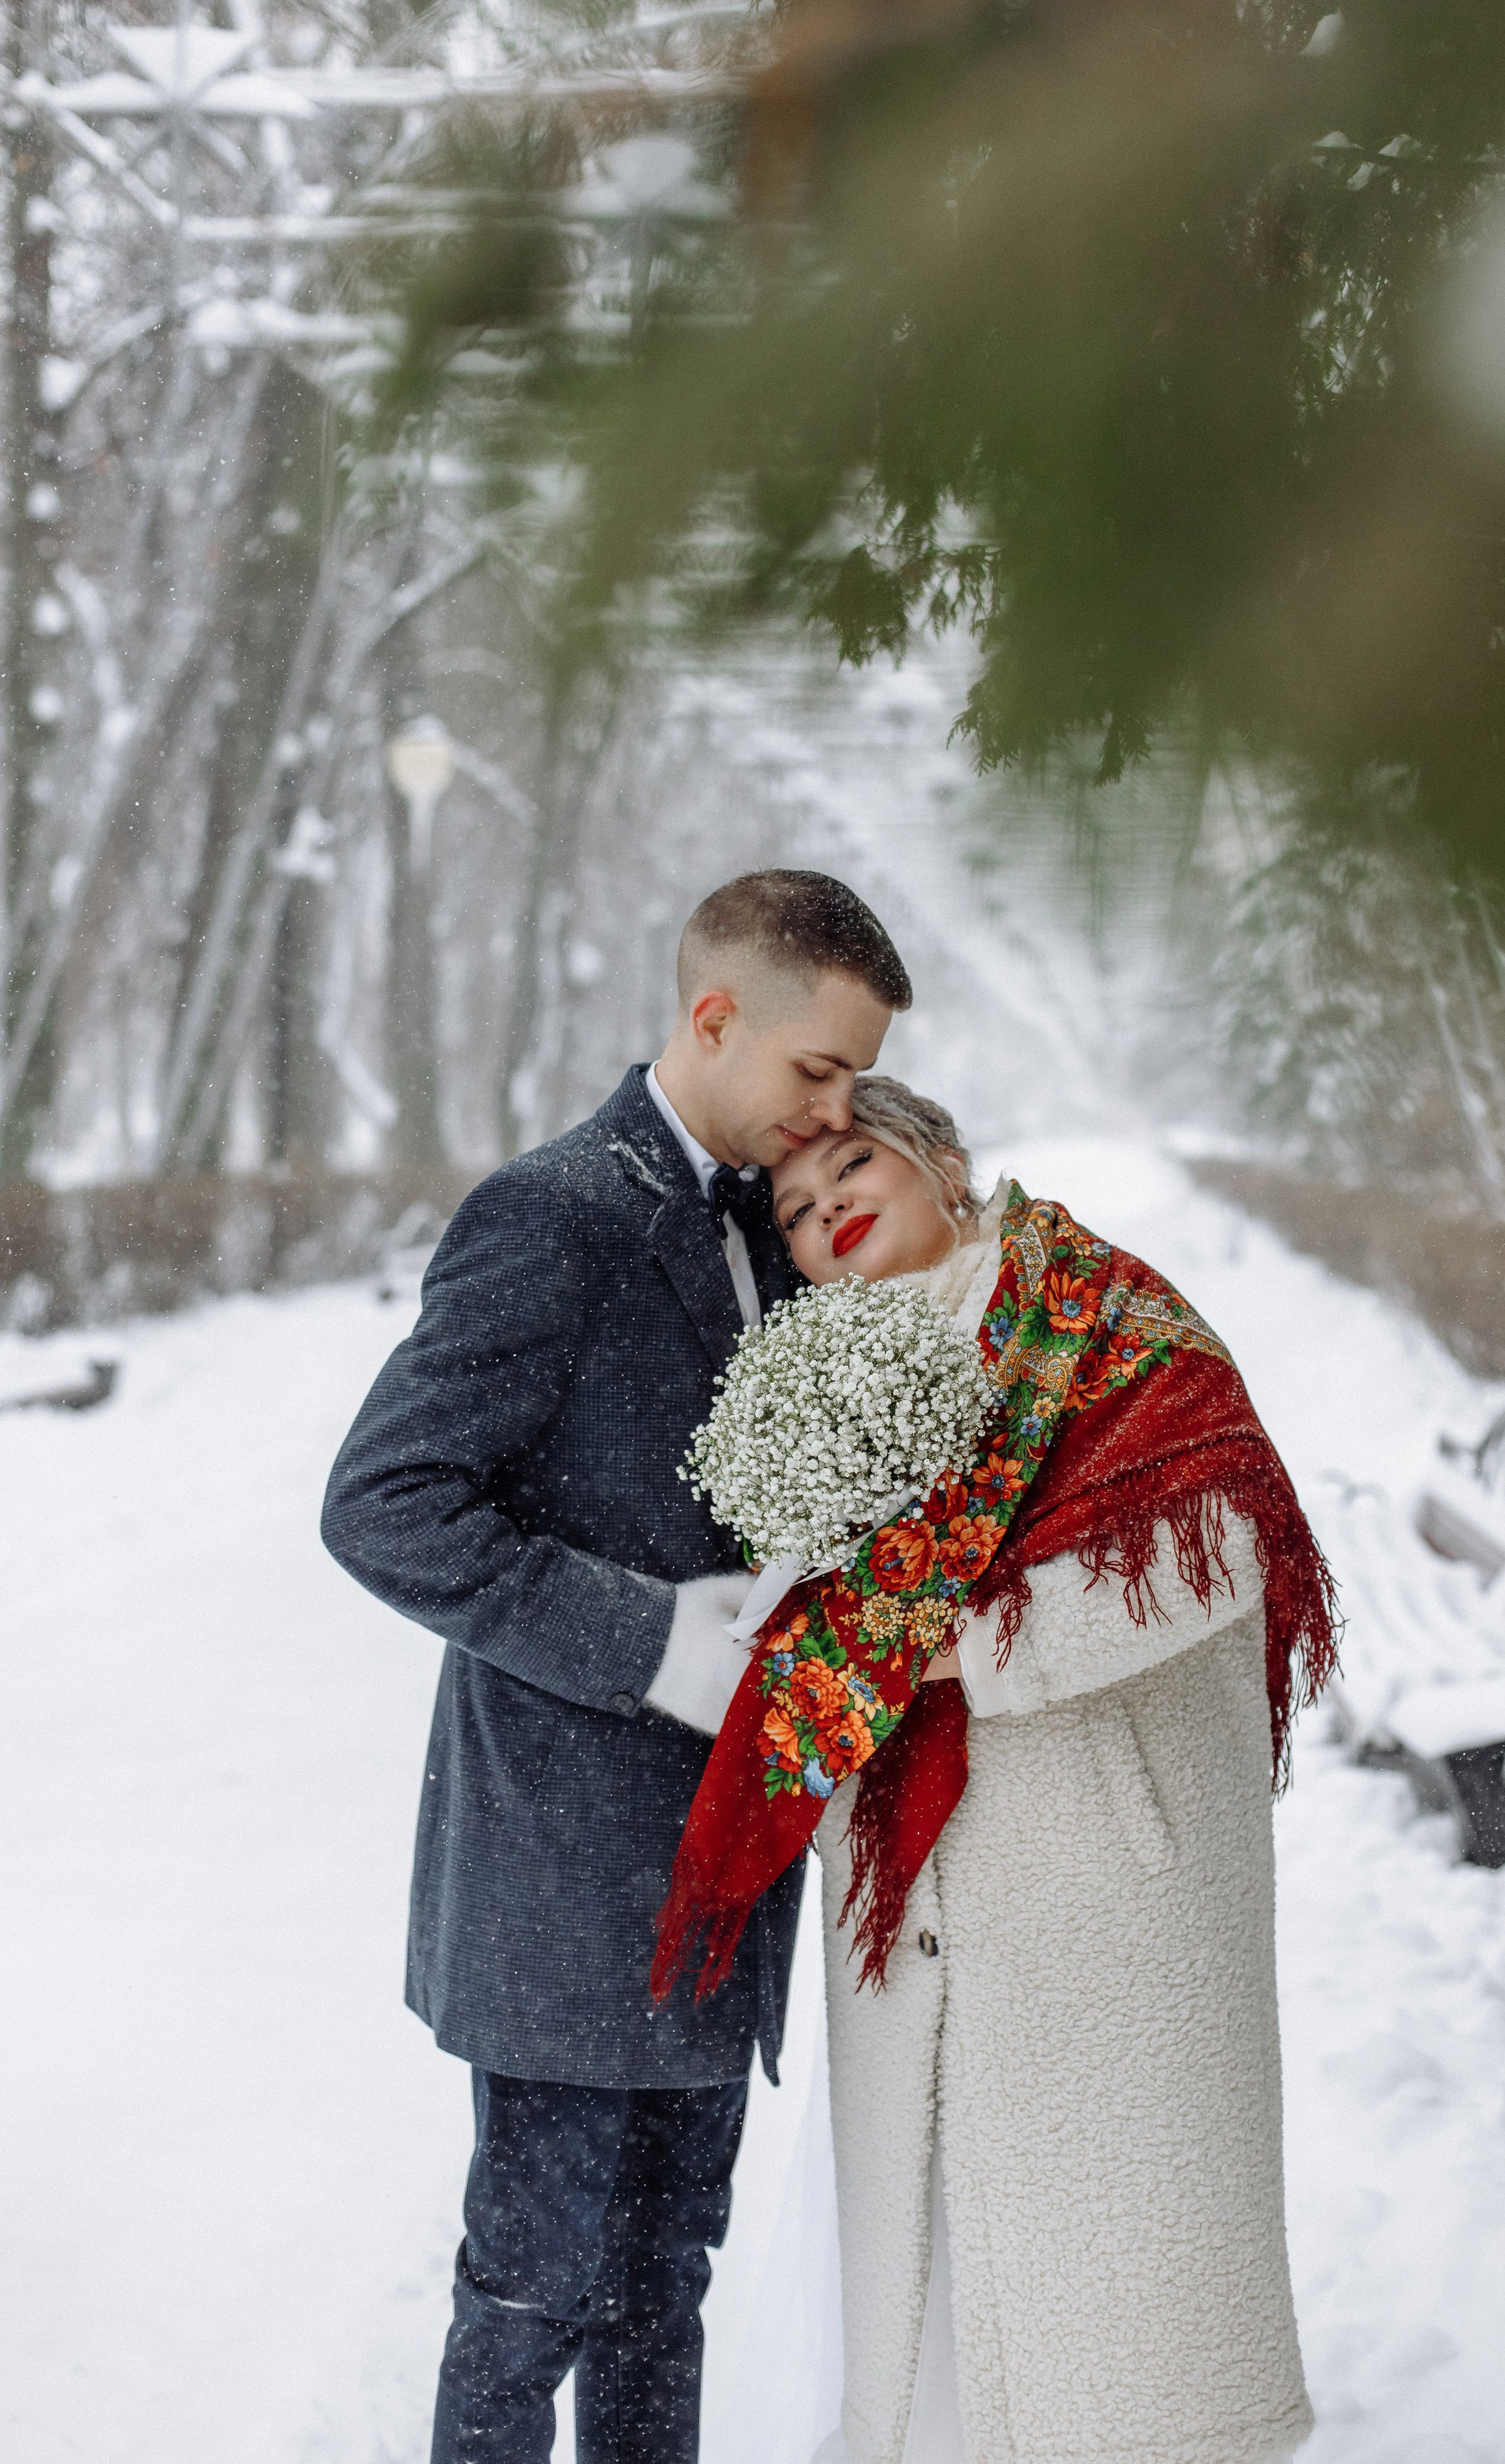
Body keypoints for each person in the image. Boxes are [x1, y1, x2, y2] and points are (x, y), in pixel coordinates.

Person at [320, 872, 912, 2464]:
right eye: (816, 1070)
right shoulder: (551, 1212)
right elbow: (382, 1505)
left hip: (716, 1882)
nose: (835, 1107)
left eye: (855, 1078)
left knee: (667, 2290)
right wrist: (648, 1640)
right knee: (530, 2303)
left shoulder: (779, 1230)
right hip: (562, 1889)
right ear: (714, 1016)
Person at [657, 1076, 1336, 2464]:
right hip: (916, 1884)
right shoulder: (827, 1377)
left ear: (940, 1160)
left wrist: (980, 1644)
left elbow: (1216, 1542)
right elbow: (824, 1609)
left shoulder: (1095, 1309)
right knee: (938, 2273)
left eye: (850, 1164)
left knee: (1110, 2295)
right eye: (792, 1207)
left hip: (1101, 1870)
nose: (823, 1205)